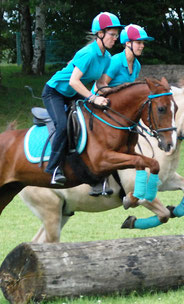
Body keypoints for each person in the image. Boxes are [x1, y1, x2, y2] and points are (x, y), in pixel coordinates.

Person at [42, 12, 124, 184]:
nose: (115, 38)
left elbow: (101, 84)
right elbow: (73, 81)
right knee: (63, 126)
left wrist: (116, 94)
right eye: (112, 34)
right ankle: (53, 168)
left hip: (72, 92)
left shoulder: (107, 57)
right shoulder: (88, 53)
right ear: (100, 34)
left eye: (117, 35)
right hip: (54, 92)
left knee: (93, 119)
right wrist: (93, 98)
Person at [89, 24, 154, 196]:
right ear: (127, 44)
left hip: (120, 112)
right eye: (138, 42)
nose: (141, 46)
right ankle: (98, 180)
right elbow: (100, 85)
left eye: (142, 43)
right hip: (101, 106)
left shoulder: (137, 65)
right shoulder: (116, 61)